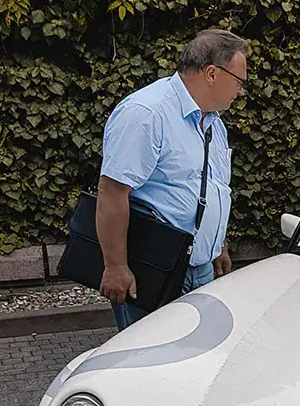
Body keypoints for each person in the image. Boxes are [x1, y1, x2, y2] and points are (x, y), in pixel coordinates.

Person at [96, 28, 248, 329]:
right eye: (240, 81)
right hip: (154, 269)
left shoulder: (213, 122)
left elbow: (209, 186)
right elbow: (111, 192)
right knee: (149, 362)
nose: (241, 91)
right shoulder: (146, 113)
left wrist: (217, 245)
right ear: (212, 74)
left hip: (200, 268)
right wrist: (115, 267)